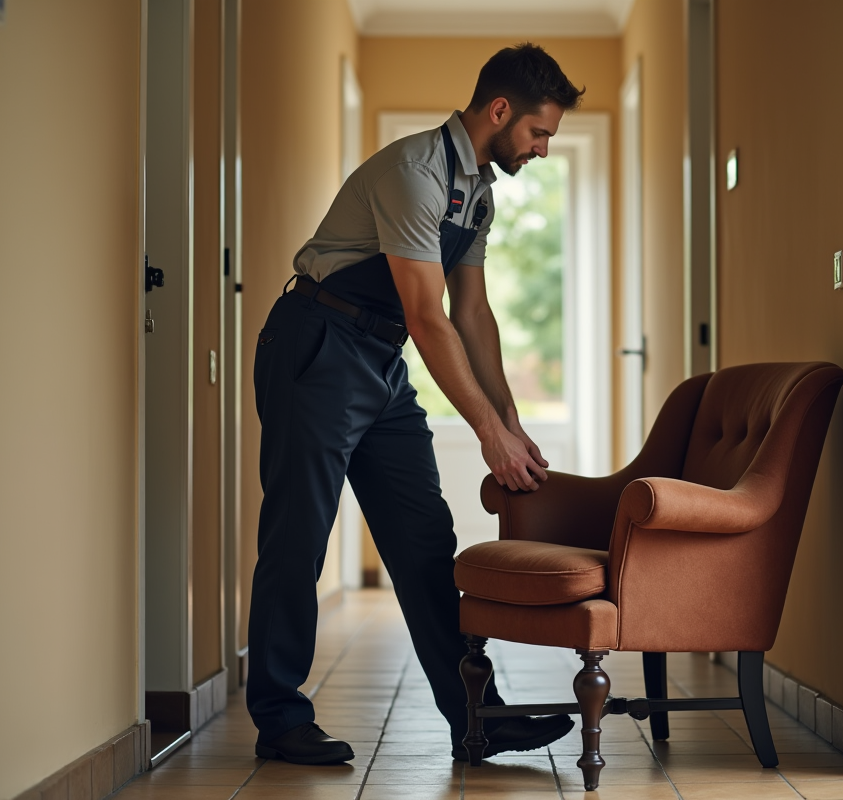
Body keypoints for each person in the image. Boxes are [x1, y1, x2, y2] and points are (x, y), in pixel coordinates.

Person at [248, 43, 584, 765]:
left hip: (380, 359)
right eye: (539, 132)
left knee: (425, 540)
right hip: (319, 344)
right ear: (500, 111)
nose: (544, 149)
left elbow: (474, 314)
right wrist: (485, 433)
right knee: (298, 535)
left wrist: (512, 426)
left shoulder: (479, 194)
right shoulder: (415, 172)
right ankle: (278, 717)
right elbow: (428, 314)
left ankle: (476, 715)